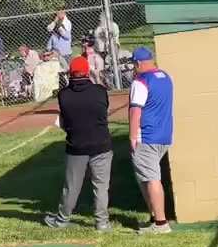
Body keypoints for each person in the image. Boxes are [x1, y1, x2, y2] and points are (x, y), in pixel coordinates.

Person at [44, 56, 113, 233]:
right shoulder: (99, 91)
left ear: (71, 74)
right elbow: (104, 110)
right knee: (101, 185)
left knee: (72, 186)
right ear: (87, 71)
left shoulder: (64, 94)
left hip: (77, 145)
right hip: (101, 144)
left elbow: (66, 119)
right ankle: (102, 222)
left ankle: (62, 220)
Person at [128, 47, 173, 234]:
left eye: (134, 64)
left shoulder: (141, 81)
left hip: (146, 136)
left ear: (138, 63)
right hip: (164, 135)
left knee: (152, 178)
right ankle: (155, 218)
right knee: (149, 177)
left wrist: (132, 136)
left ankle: (161, 223)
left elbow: (136, 110)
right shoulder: (165, 77)